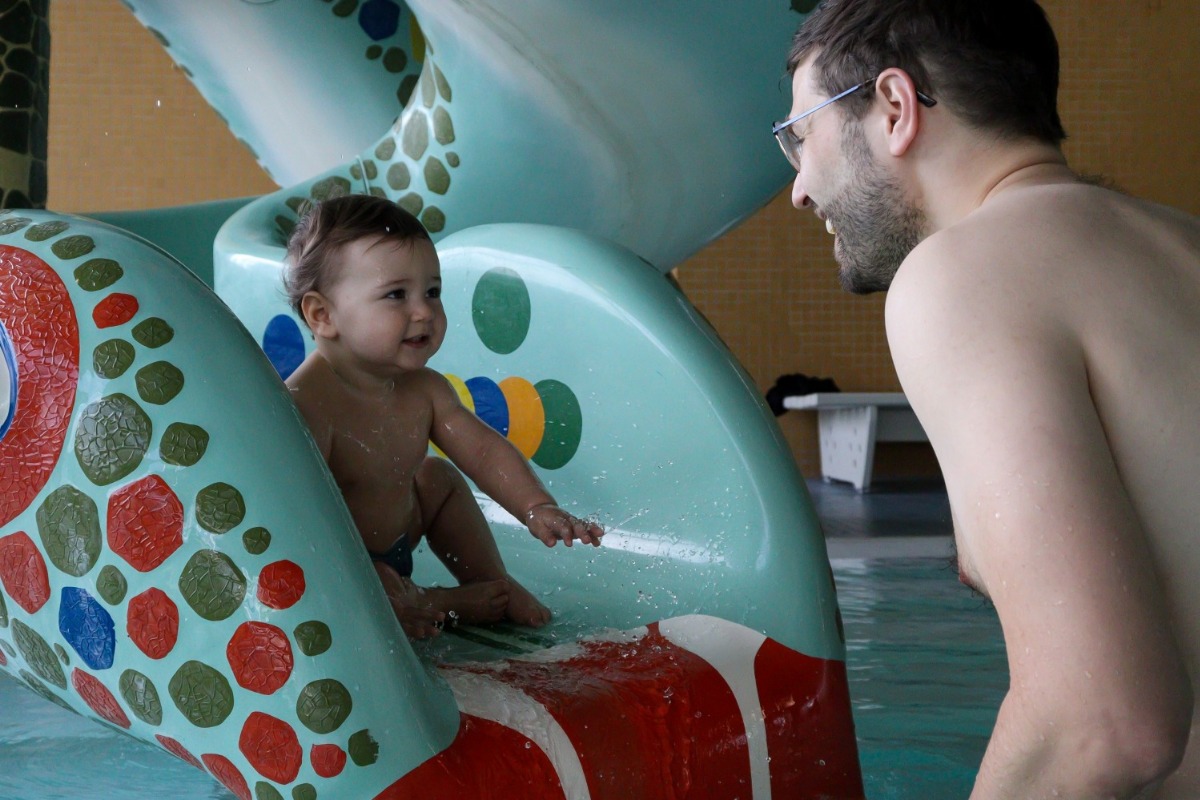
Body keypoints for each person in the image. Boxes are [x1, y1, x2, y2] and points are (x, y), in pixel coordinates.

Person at [776, 1, 1200, 796]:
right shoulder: (1182, 241)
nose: (800, 189)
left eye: (802, 136)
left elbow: (1101, 721)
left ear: (895, 107)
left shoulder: (960, 275)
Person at [283, 194, 603, 639]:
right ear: (323, 314)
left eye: (432, 292)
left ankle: (491, 584)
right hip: (349, 568)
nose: (423, 312)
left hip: (399, 535)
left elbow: (484, 451)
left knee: (440, 479)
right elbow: (297, 526)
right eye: (396, 294)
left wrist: (536, 507)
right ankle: (435, 603)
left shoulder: (425, 389)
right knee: (349, 574)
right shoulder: (305, 406)